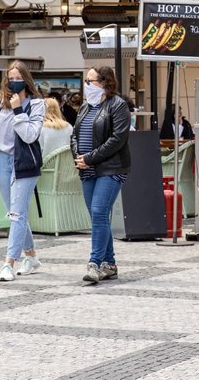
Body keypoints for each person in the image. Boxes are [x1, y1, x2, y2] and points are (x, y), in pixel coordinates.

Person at [0, 60, 45, 283]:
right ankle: (31, 257)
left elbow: (30, 135)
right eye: (11, 78)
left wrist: (19, 109)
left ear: (26, 80)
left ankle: (9, 263)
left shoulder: (36, 104)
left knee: (17, 214)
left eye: (19, 78)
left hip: (24, 163)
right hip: (1, 160)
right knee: (14, 213)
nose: (14, 82)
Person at [72, 66, 131, 284]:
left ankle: (94, 263)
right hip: (87, 169)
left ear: (105, 82)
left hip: (111, 168)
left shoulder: (118, 105)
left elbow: (117, 139)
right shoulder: (85, 107)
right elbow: (75, 135)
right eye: (85, 81)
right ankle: (110, 264)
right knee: (99, 216)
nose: (86, 85)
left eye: (90, 81)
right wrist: (78, 156)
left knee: (98, 212)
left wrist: (90, 157)